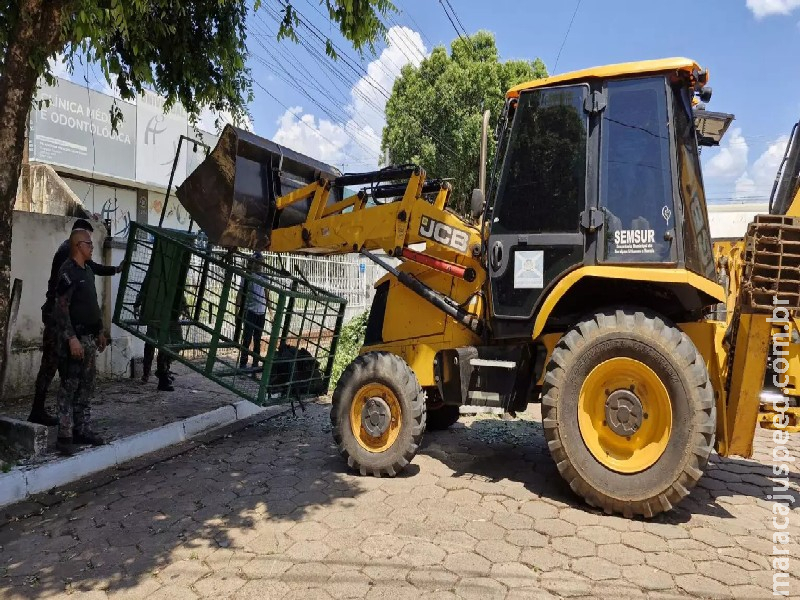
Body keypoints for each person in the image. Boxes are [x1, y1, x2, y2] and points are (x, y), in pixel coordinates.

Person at [28, 219, 123, 426]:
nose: (91, 245)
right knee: (54, 365)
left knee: (62, 368)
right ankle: (45, 413)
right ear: (79, 239)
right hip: (59, 319)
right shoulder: (68, 256)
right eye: (88, 241)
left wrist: (115, 270)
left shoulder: (74, 255)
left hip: (61, 318)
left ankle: (61, 416)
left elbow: (93, 268)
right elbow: (63, 300)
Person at [51, 229, 108, 456]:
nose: (92, 248)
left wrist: (100, 331)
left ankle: (81, 428)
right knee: (69, 386)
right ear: (78, 246)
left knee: (87, 386)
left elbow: (91, 304)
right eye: (89, 244)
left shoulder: (88, 271)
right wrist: (71, 338)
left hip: (89, 339)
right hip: (73, 339)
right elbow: (61, 309)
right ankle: (65, 434)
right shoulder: (68, 272)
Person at [238, 253, 268, 370]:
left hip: (261, 311)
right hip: (250, 310)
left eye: (262, 262)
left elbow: (266, 294)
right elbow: (240, 293)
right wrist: (238, 310)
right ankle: (243, 363)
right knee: (247, 338)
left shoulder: (264, 276)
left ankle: (255, 363)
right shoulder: (247, 276)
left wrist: (270, 311)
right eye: (259, 262)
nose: (260, 264)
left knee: (257, 338)